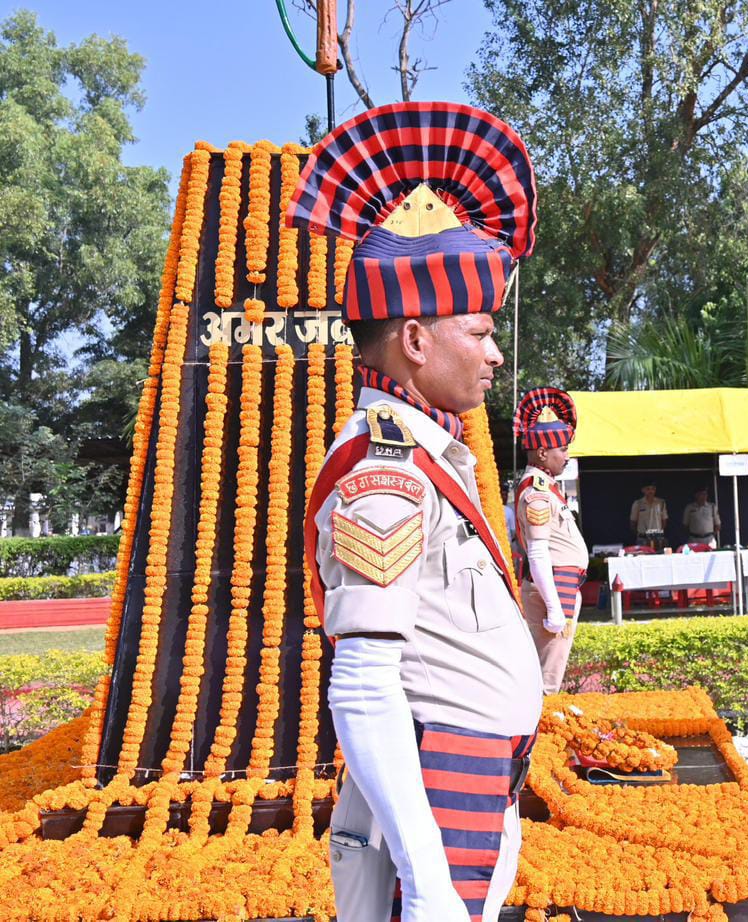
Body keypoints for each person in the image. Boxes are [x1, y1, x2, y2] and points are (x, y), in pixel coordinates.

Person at [290, 102, 542, 922]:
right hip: (443, 791)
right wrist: (428, 882)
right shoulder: (387, 471)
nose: (496, 352)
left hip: (472, 783)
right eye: (479, 329)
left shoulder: (427, 454)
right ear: (415, 338)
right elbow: (362, 687)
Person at [512, 388, 590, 694]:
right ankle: (543, 737)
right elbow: (538, 552)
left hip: (562, 585)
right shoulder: (538, 490)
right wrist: (554, 607)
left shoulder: (548, 487)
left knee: (552, 665)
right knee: (548, 674)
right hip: (554, 587)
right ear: (542, 453)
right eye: (562, 450)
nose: (567, 456)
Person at [629, 481, 668, 550]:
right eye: (648, 489)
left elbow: (664, 520)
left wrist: (658, 533)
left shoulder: (661, 502)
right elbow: (633, 522)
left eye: (653, 489)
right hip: (643, 538)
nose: (651, 491)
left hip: (658, 538)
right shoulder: (638, 503)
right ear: (643, 490)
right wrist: (641, 534)